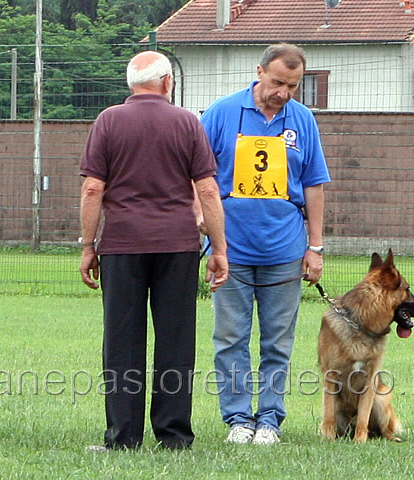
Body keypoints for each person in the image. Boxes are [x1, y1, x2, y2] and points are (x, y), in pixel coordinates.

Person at [79, 50, 228, 450]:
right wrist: (219, 249)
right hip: (177, 245)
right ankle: (174, 434)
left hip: (122, 245)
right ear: (167, 83)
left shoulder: (108, 120)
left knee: (122, 342)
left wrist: (88, 245)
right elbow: (208, 191)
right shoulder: (186, 122)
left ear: (131, 83)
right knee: (176, 340)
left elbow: (93, 188)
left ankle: (123, 436)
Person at [200, 43, 331, 445]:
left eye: (292, 85)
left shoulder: (303, 120)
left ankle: (269, 419)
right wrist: (202, 225)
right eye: (277, 82)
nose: (284, 92)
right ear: (259, 73)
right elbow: (198, 175)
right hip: (230, 249)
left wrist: (316, 247)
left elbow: (313, 185)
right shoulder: (221, 113)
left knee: (278, 340)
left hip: (285, 250)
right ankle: (238, 419)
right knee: (230, 337)